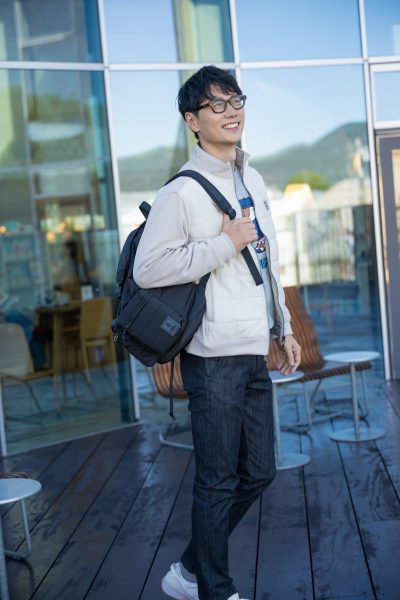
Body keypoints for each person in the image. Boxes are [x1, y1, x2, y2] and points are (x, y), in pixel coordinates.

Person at [133, 65, 301, 600]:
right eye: (217, 105)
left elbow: (268, 262)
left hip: (252, 350)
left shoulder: (253, 178)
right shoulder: (181, 192)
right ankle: (214, 587)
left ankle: (188, 572)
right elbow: (148, 269)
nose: (232, 112)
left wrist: (283, 327)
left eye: (236, 100)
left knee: (259, 472)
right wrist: (223, 243)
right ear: (192, 120)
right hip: (211, 358)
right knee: (217, 480)